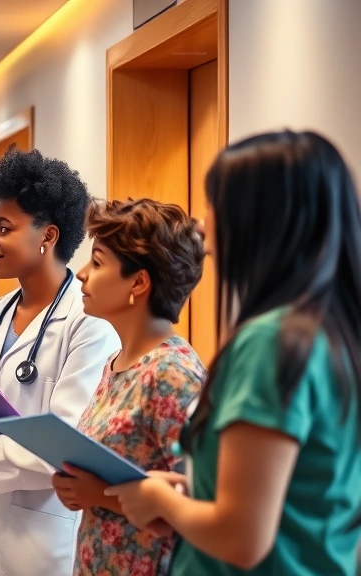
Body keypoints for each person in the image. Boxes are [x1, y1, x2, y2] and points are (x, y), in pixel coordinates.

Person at [106, 130, 361, 575]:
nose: (204, 225)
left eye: (215, 205)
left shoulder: (270, 343)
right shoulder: (331, 335)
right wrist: (188, 493)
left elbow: (242, 537)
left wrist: (159, 498)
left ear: (261, 219)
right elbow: (289, 500)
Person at [0, 148, 120, 576]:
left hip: (37, 541)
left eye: (4, 228)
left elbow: (70, 440)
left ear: (47, 236)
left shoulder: (89, 327)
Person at [51, 198, 205, 575]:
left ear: (138, 282)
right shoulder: (117, 364)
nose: (82, 274)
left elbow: (201, 504)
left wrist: (98, 494)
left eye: (98, 262)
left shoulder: (172, 374)